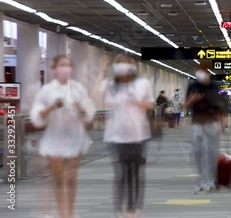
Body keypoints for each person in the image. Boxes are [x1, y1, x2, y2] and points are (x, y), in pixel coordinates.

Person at [30, 55, 96, 218]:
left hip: (75, 137)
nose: (65, 69)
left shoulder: (77, 88)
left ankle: (70, 212)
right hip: (55, 139)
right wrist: (51, 107)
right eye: (62, 65)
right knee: (59, 180)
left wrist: (80, 106)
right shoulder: (47, 90)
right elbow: (37, 117)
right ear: (54, 69)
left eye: (68, 65)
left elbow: (88, 113)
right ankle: (62, 213)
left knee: (71, 180)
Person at [96, 53, 154, 218]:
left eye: (126, 64)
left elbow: (149, 104)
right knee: (121, 172)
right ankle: (119, 207)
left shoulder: (142, 83)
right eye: (119, 63)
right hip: (116, 135)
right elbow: (96, 94)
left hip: (138, 134)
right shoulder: (110, 85)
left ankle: (133, 206)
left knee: (135, 171)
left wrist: (139, 103)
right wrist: (102, 72)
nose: (123, 66)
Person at [183, 60, 225, 194]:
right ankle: (202, 180)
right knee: (198, 154)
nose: (199, 72)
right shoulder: (192, 86)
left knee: (211, 154)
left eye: (202, 70)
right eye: (197, 69)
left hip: (211, 123)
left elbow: (220, 106)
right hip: (197, 124)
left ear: (208, 72)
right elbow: (185, 106)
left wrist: (223, 122)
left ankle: (210, 180)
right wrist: (193, 100)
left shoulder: (214, 86)